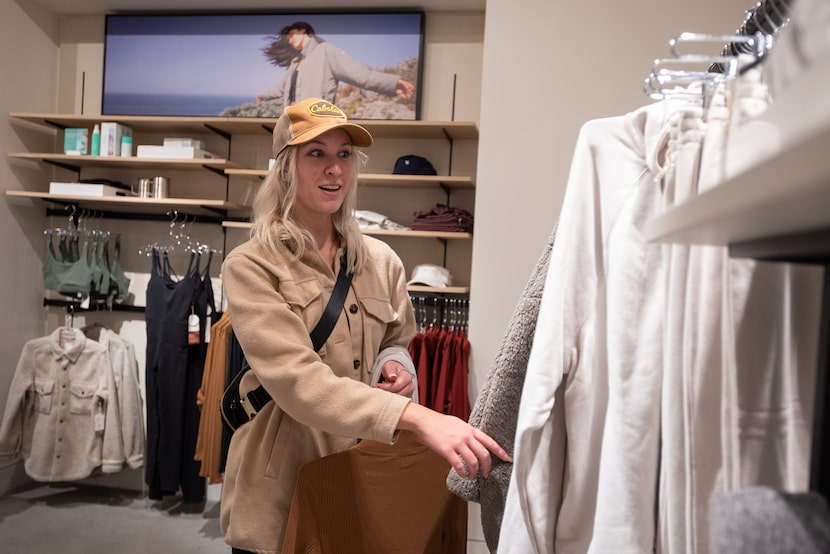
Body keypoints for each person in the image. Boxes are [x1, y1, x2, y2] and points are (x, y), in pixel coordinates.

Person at [219, 97, 510, 553]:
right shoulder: (253, 266)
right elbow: (298, 382)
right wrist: (417, 418)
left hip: (361, 472)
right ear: (285, 168)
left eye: (344, 154)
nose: (334, 169)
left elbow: (398, 339)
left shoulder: (381, 261)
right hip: (283, 485)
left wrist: (397, 368)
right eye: (316, 153)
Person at [256, 21, 416, 106]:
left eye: (291, 36)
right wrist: (264, 95)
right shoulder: (295, 62)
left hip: (315, 124)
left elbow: (360, 76)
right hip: (290, 123)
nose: (289, 41)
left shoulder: (325, 51)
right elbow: (282, 88)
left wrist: (393, 83)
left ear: (303, 30)